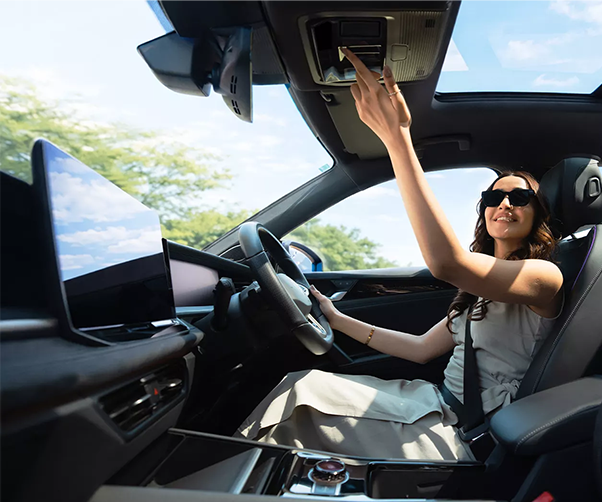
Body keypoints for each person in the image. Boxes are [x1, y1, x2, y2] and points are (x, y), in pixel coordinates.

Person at [235, 49, 564, 460]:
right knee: (299, 382)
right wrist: (337, 319)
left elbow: (446, 264)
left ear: (539, 215)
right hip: (432, 401)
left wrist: (397, 138)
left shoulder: (544, 277)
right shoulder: (482, 289)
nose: (505, 203)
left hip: (465, 430)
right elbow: (422, 349)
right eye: (494, 196)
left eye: (520, 197)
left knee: (298, 400)